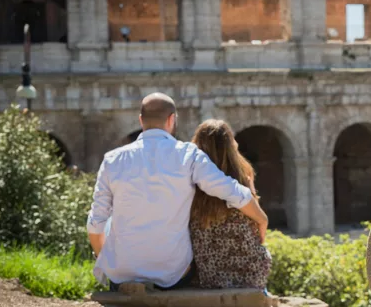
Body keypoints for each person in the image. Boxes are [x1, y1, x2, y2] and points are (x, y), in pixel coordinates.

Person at [86, 93, 269, 291]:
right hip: (172, 275)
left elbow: (96, 223)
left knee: (111, 218)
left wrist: (105, 260)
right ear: (172, 119)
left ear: (140, 120)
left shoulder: (112, 159)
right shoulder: (189, 155)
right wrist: (261, 218)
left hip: (121, 274)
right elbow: (233, 192)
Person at [188, 119, 272, 289]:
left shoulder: (190, 179)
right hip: (250, 268)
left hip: (206, 269)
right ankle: (263, 299)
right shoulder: (244, 175)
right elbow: (256, 220)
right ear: (230, 144)